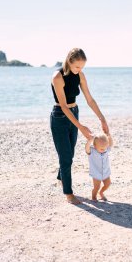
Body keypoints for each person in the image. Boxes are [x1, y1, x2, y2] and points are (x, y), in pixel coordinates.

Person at [50, 48, 109, 205]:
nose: (79, 70)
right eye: (77, 67)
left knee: (70, 153)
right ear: (69, 62)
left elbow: (89, 99)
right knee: (66, 156)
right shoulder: (57, 77)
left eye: (82, 67)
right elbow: (63, 106)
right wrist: (81, 127)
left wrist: (102, 118)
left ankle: (61, 177)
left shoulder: (80, 75)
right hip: (60, 117)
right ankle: (69, 194)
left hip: (74, 112)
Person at [85, 133, 113, 201]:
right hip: (96, 172)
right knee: (97, 187)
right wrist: (89, 141)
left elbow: (111, 144)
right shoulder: (91, 151)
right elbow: (87, 149)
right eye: (101, 148)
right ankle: (94, 196)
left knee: (108, 184)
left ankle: (101, 192)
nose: (104, 149)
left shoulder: (106, 149)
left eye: (105, 147)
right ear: (94, 146)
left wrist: (109, 135)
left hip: (105, 171)